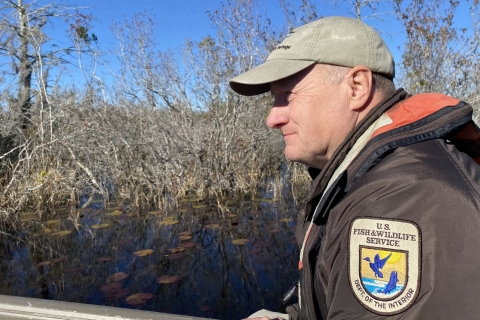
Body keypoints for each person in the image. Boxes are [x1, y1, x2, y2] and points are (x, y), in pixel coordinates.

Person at [229, 16, 480, 320]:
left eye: (287, 96)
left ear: (357, 87)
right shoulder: (364, 172)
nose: (273, 118)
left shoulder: (403, 198)